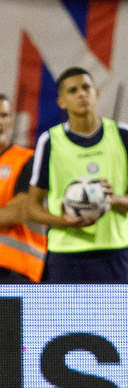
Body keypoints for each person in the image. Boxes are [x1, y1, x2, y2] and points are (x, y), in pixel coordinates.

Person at [23, 68, 128, 283]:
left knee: (114, 317)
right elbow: (32, 207)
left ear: (96, 93)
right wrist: (63, 221)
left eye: (86, 88)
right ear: (61, 102)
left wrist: (111, 199)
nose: (81, 94)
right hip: (67, 252)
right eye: (73, 90)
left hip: (114, 249)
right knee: (67, 318)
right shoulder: (50, 141)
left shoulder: (122, 134)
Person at [0, 93, 45, 283]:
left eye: (4, 115)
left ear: (11, 121)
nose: (0, 122)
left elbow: (17, 213)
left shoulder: (27, 160)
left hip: (14, 271)